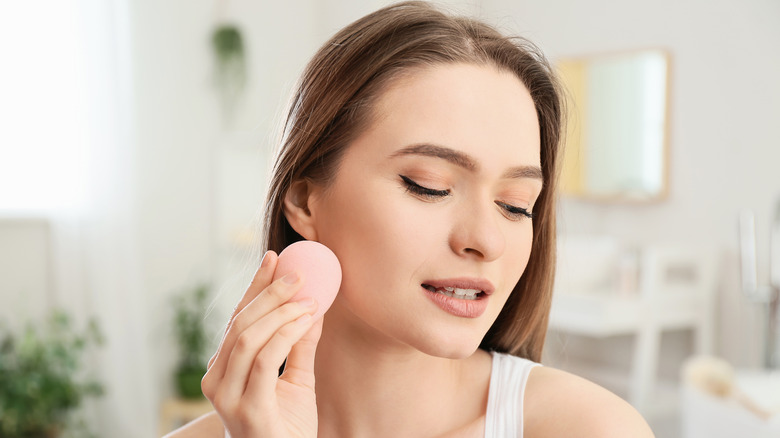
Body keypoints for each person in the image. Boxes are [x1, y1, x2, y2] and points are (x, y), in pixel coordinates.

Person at [166, 2, 655, 437]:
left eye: (515, 205)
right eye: (430, 186)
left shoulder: (591, 429)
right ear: (305, 201)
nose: (486, 239)